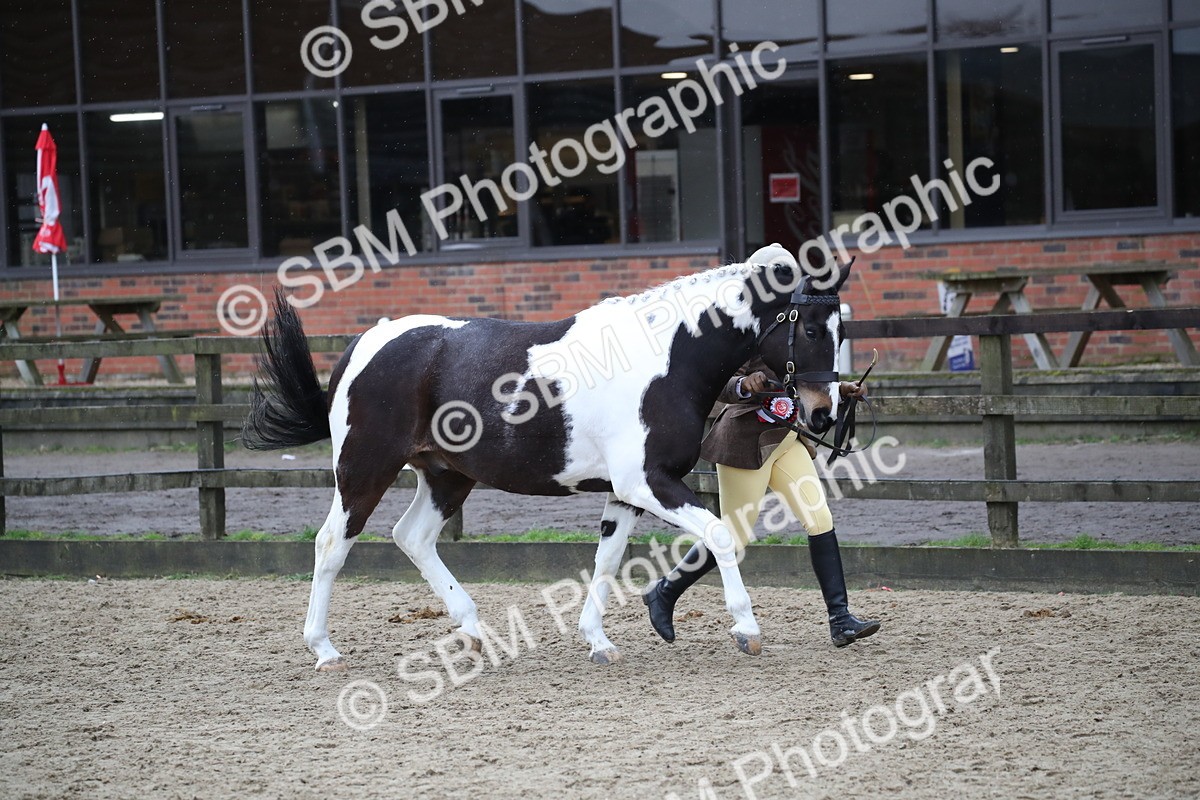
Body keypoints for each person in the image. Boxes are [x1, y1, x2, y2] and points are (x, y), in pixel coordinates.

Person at [643, 357, 881, 647]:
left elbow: (804, 380)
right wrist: (742, 384)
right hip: (744, 441)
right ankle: (665, 592)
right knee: (734, 537)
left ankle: (840, 620)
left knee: (820, 519)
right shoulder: (746, 329)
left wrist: (839, 390)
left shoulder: (791, 337)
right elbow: (718, 381)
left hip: (785, 438)